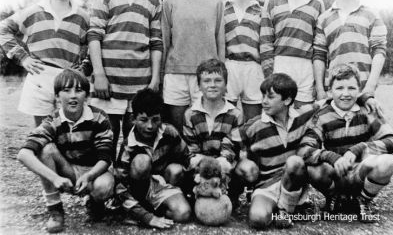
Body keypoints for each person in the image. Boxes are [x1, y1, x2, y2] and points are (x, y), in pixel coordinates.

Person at [88, 0, 163, 156]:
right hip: (109, 82)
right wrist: (99, 74)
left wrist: (155, 79)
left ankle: (131, 189)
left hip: (139, 83)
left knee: (135, 144)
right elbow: (94, 35)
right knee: (106, 141)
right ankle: (105, 187)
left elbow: (156, 42)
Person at [17, 69, 114, 233]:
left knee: (104, 186)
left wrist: (89, 175)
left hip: (94, 171)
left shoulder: (99, 117)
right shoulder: (53, 120)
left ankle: (95, 203)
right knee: (45, 149)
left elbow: (105, 157)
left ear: (87, 96)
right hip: (68, 170)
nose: (73, 96)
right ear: (56, 97)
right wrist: (54, 178)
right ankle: (55, 210)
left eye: (79, 90)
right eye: (66, 90)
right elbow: (23, 154)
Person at [297, 64, 393, 222]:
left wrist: (359, 148)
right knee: (310, 167)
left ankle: (363, 200)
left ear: (359, 90)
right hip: (336, 175)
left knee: (387, 161)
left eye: (351, 88)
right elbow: (304, 150)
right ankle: (334, 197)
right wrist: (331, 157)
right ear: (330, 91)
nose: (345, 94)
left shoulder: (368, 111)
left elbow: (392, 141)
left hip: (360, 173)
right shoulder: (322, 115)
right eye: (339, 88)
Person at [0, 0, 89, 126]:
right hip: (39, 76)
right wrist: (23, 58)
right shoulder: (34, 11)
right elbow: (3, 29)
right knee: (42, 131)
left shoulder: (83, 17)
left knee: (68, 130)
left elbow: (93, 44)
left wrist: (85, 68)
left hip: (68, 80)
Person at [242, 73, 319, 229]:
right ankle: (279, 208)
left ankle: (286, 209)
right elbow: (231, 140)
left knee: (295, 162)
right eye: (263, 95)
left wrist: (365, 98)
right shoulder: (254, 125)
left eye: (270, 97)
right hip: (267, 184)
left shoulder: (302, 117)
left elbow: (332, 102)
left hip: (292, 181)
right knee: (258, 220)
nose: (263, 101)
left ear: (287, 100)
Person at [162, 0, 225, 133]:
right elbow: (165, 41)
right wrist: (161, 75)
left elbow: (220, 40)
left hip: (206, 74)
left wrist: (221, 74)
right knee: (177, 128)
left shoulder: (216, 1)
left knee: (203, 126)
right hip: (175, 74)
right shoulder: (170, 1)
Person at [182, 59, 258, 206]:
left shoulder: (235, 114)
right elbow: (191, 151)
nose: (212, 85)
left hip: (225, 164)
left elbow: (230, 151)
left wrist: (218, 166)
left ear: (225, 85)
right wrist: (206, 167)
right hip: (199, 166)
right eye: (206, 81)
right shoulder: (190, 114)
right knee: (178, 169)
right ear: (199, 86)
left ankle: (232, 194)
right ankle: (195, 193)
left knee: (249, 169)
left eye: (218, 80)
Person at [114, 88, 191, 229]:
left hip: (161, 186)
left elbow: (187, 158)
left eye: (155, 120)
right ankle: (140, 210)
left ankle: (153, 210)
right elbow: (120, 188)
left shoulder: (169, 132)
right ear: (133, 119)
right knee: (141, 162)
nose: (150, 126)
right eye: (143, 120)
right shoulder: (128, 146)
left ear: (161, 118)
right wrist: (147, 218)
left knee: (183, 214)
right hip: (137, 190)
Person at [313, 0, 387, 99]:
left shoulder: (372, 15)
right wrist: (320, 90)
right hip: (334, 92)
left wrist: (370, 87)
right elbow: (319, 55)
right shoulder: (323, 18)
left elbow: (379, 51)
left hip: (362, 90)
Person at [261, 0, 325, 110]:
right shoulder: (272, 2)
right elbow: (266, 43)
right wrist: (270, 76)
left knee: (304, 118)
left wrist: (319, 83)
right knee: (278, 117)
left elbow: (320, 47)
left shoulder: (316, 2)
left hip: (305, 68)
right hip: (279, 64)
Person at [224, 0, 264, 122]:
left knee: (254, 119)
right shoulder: (221, 8)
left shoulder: (262, 10)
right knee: (226, 116)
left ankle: (251, 147)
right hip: (229, 65)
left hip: (254, 67)